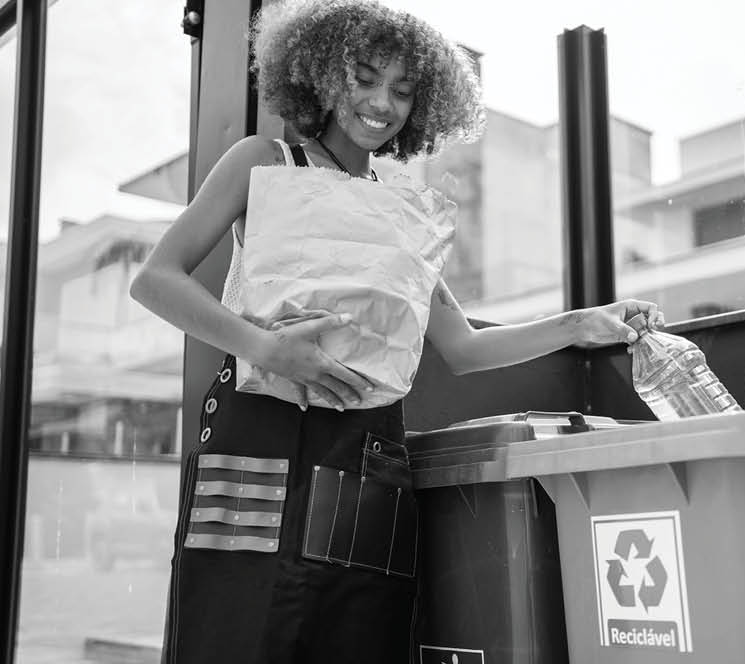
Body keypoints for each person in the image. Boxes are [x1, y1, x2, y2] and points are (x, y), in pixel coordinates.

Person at [128, 1, 660, 661]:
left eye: (403, 91)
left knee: (357, 632)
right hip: (257, 440)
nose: (382, 103)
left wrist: (582, 322)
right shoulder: (264, 160)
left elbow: (462, 347)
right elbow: (155, 280)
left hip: (363, 451)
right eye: (364, 78)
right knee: (234, 632)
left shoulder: (402, 207)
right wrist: (267, 349)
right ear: (323, 75)